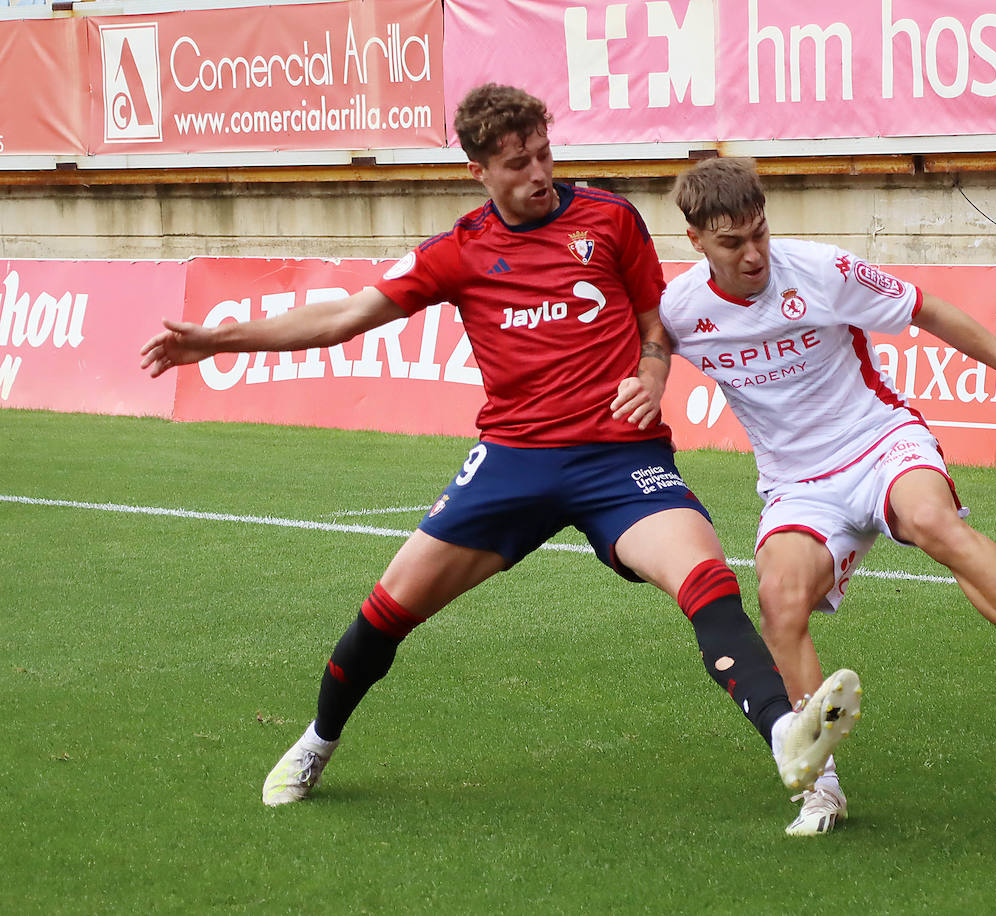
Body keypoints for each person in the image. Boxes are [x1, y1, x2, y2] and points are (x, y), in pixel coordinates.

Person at [139, 86, 861, 825]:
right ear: (480, 170)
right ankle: (318, 741)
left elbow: (656, 326)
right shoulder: (460, 251)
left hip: (619, 460)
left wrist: (650, 376)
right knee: (388, 609)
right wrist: (216, 340)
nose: (539, 173)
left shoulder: (611, 221)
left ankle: (785, 738)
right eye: (518, 164)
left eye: (545, 154)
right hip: (513, 461)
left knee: (707, 581)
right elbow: (345, 317)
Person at [660, 157, 996, 837]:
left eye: (759, 233)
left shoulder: (821, 270)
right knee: (777, 603)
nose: (753, 253)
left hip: (880, 441)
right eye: (732, 243)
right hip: (797, 486)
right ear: (697, 241)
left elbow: (929, 309)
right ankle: (821, 788)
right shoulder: (681, 308)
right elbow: (641, 351)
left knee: (932, 520)